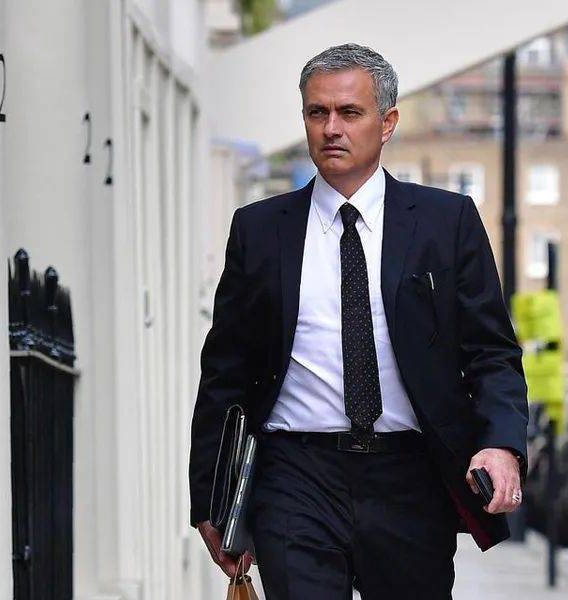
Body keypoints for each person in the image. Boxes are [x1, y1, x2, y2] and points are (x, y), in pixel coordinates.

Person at [189, 43, 529, 599]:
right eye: (316, 112)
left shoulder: (446, 223)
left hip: (409, 479)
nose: (331, 128)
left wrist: (502, 445)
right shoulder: (259, 230)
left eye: (349, 112)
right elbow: (224, 370)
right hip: (294, 476)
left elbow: (492, 353)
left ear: (387, 123)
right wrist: (211, 496)